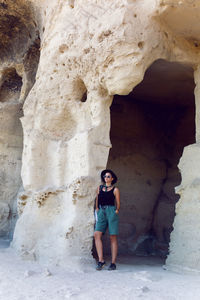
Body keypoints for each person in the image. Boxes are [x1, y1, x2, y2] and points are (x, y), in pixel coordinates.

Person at [94, 169, 120, 271]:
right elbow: (97, 198)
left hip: (111, 211)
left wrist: (117, 210)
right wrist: (97, 208)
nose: (106, 178)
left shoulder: (115, 189)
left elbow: (118, 202)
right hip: (101, 211)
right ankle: (101, 260)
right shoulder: (100, 188)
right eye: (105, 176)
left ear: (112, 178)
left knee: (113, 236)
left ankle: (113, 263)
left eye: (108, 176)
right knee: (97, 234)